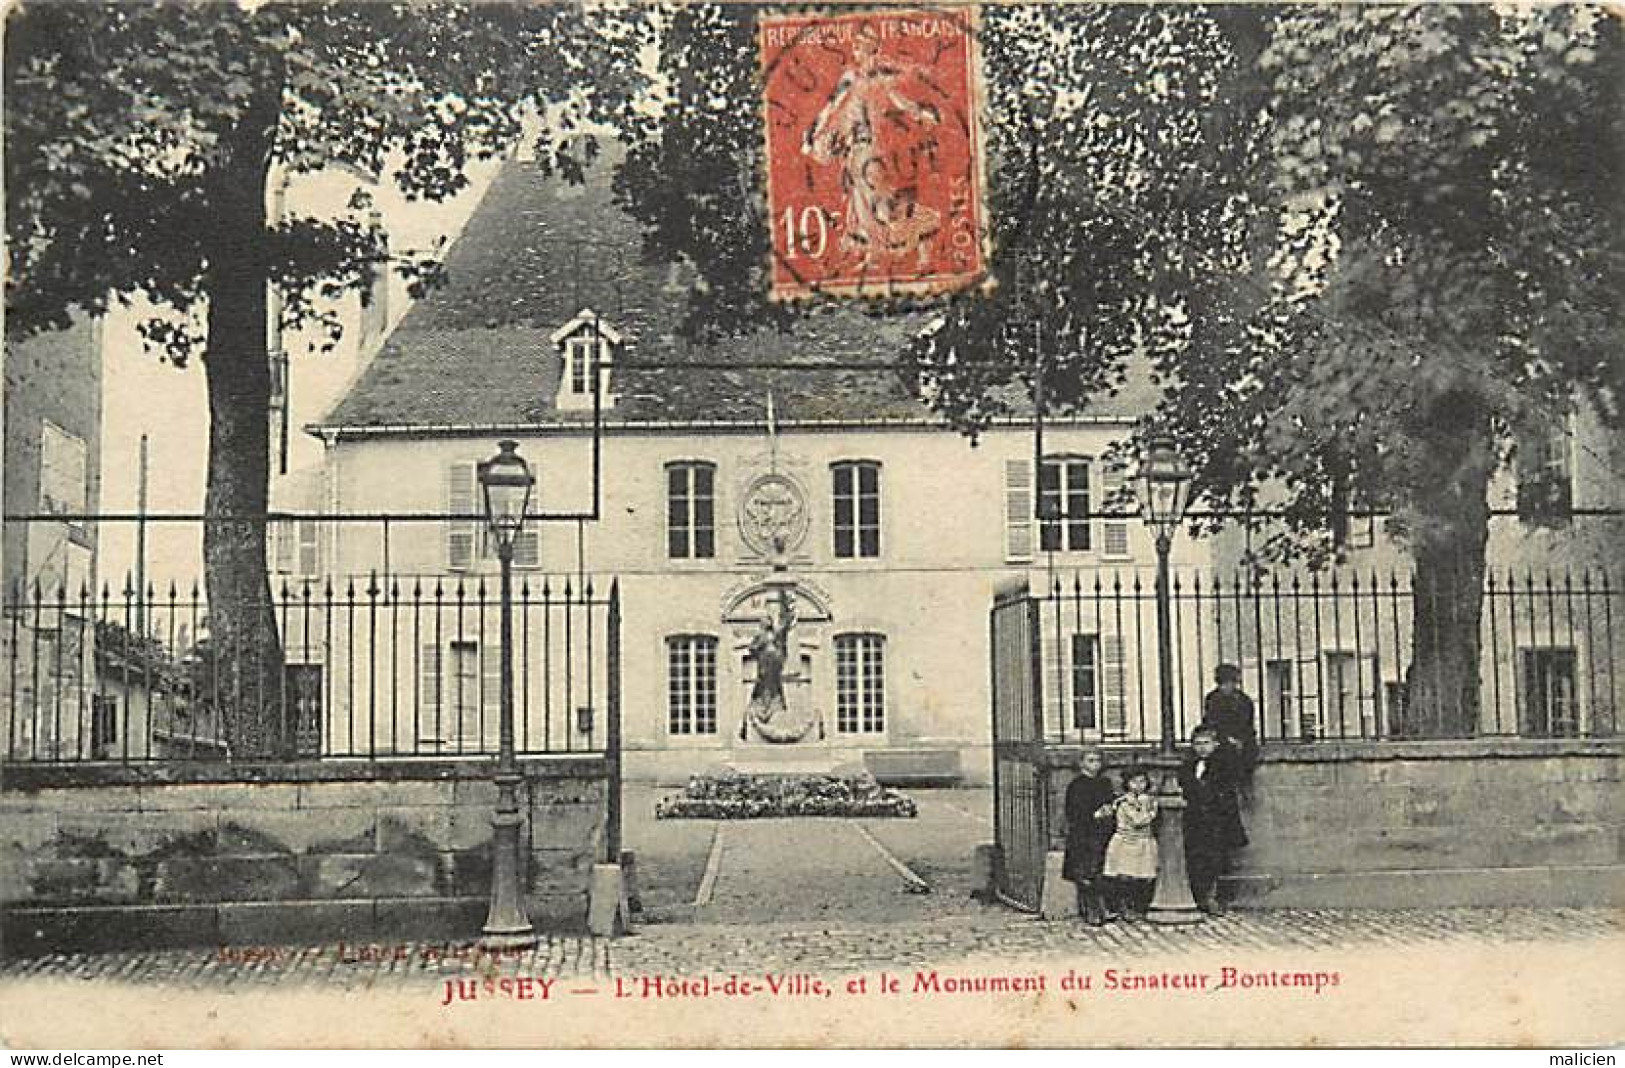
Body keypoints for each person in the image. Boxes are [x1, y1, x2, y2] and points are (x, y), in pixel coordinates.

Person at [1179, 726, 1249, 915]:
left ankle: (1214, 897)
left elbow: (1224, 789)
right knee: (1197, 858)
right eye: (1197, 744)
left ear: (1216, 745)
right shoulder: (1189, 765)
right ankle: (1200, 896)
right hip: (1196, 818)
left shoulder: (1223, 764)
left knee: (1217, 858)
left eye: (1206, 743)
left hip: (1218, 818)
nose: (1201, 748)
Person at [1061, 749, 1117, 926]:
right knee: (1085, 873)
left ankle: (1103, 907)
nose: (1095, 764)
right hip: (1083, 834)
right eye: (1090, 760)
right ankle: (1089, 909)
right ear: (1081, 763)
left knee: (1100, 870)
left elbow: (1110, 800)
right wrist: (1093, 814)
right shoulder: (1076, 785)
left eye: (1097, 761)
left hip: (1102, 832)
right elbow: (1073, 811)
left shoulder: (1104, 782)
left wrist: (1110, 809)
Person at [1100, 766, 1159, 920]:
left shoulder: (1149, 799)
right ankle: (1123, 906)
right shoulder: (1125, 802)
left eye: (1142, 782)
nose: (1139, 786)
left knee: (1144, 876)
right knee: (1125, 876)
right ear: (1127, 784)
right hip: (1127, 842)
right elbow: (1139, 820)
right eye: (1134, 782)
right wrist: (1149, 810)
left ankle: (1137, 906)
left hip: (1143, 842)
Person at [1202, 663, 1259, 794]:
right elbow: (1212, 723)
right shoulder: (1213, 699)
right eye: (1225, 683)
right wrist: (1227, 738)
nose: (1228, 687)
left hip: (1243, 742)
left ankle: (1243, 784)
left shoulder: (1244, 700)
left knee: (1245, 755)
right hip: (1221, 741)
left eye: (1232, 683)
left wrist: (1241, 739)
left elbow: (1248, 725)